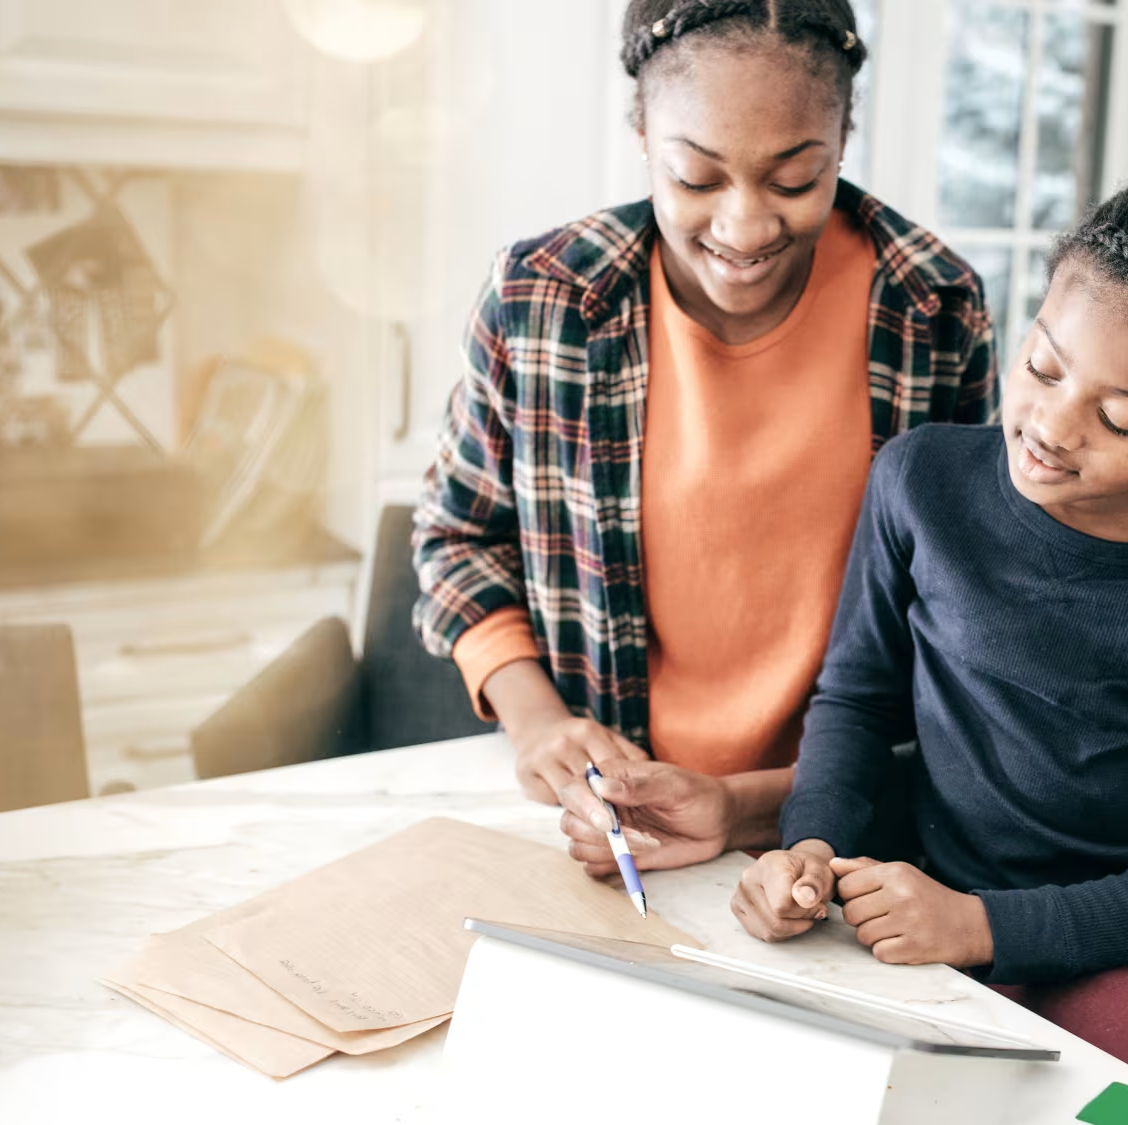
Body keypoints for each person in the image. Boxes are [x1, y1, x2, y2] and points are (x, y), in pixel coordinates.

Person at [728, 175, 1128, 1084]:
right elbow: (857, 696)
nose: (1051, 427)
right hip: (1027, 909)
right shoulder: (918, 482)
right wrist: (812, 847)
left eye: (1119, 419)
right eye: (1042, 367)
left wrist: (977, 927)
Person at [412, 0, 995, 871]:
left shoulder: (932, 308)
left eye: (797, 179)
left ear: (844, 139)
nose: (745, 226)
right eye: (697, 178)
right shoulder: (540, 301)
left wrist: (768, 808)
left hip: (837, 836)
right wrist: (536, 719)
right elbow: (458, 537)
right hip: (606, 823)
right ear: (643, 132)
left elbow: (963, 614)